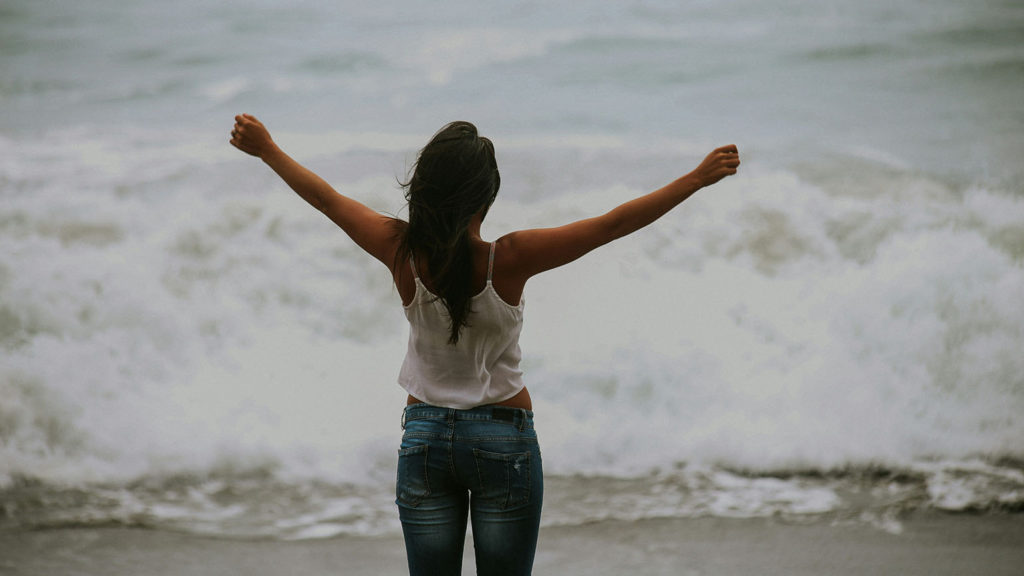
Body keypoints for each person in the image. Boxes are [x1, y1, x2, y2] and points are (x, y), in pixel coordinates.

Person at [229, 114, 739, 576]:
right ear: (486, 195)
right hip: (503, 439)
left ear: (424, 190)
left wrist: (268, 149)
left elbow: (326, 199)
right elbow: (611, 225)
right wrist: (695, 179)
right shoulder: (510, 257)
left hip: (424, 438)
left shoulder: (399, 250)